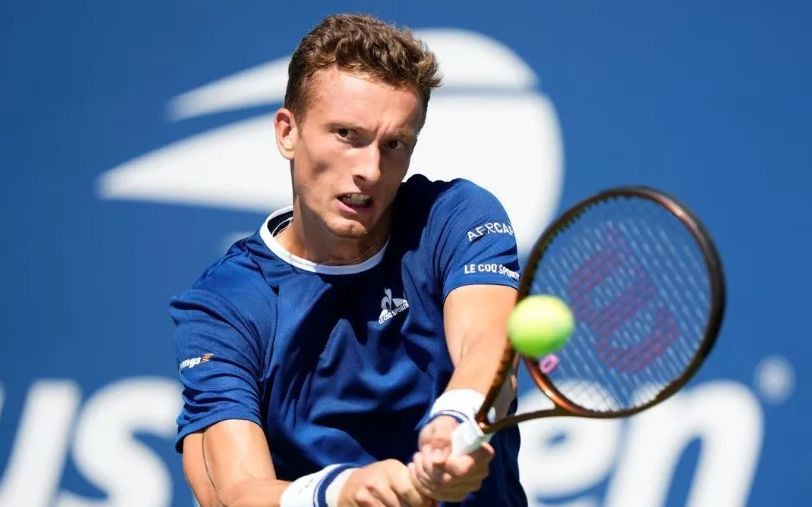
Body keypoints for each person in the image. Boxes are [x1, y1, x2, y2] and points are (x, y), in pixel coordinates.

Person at [171, 13, 527, 507]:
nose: (371, 170)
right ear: (287, 132)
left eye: (394, 144)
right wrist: (342, 492)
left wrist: (457, 419)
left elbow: (488, 343)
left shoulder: (455, 217)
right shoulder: (225, 305)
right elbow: (235, 492)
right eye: (346, 134)